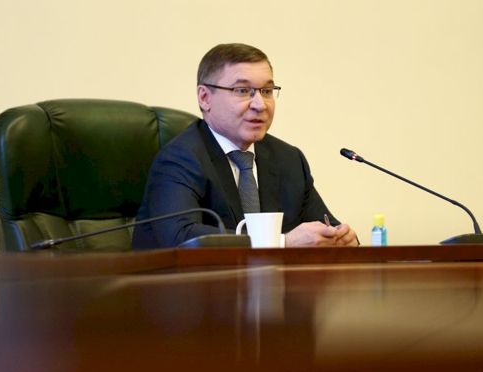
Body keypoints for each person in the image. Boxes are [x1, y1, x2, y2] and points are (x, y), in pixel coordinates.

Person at [132, 43, 358, 249]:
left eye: (267, 91)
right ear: (205, 98)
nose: (260, 105)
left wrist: (341, 239)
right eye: (242, 91)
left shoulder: (288, 159)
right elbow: (183, 238)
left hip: (273, 281)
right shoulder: (179, 159)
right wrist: (282, 243)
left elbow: (325, 226)